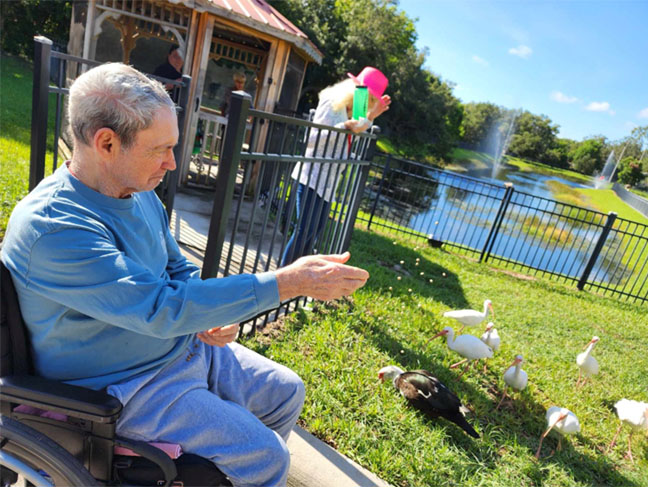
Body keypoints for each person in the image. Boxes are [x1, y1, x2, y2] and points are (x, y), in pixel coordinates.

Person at [1, 63, 369, 487]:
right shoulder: (55, 227)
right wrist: (286, 283)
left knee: (287, 391)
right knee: (266, 458)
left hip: (179, 348)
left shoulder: (136, 191)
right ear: (106, 143)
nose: (172, 163)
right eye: (159, 149)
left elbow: (176, 268)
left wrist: (209, 312)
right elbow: (160, 309)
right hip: (125, 386)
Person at [280, 66, 391, 266]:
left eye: (371, 100)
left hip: (329, 182)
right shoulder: (332, 103)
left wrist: (369, 119)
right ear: (355, 89)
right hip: (312, 175)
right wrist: (345, 128)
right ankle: (281, 277)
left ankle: (300, 278)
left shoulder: (354, 111)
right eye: (366, 96)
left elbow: (348, 144)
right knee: (303, 231)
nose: (366, 102)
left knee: (314, 233)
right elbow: (313, 138)